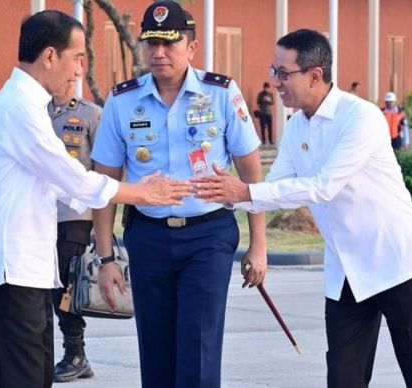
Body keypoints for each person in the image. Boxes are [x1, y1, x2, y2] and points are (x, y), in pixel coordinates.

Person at [193, 29, 412, 388]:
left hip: (399, 262)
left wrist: (244, 191)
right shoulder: (297, 125)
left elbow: (322, 187)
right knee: (343, 377)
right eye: (274, 71)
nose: (277, 82)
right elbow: (274, 186)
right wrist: (228, 193)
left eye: (284, 73)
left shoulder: (360, 117)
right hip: (347, 271)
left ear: (315, 75)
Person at [0, 10, 192, 388]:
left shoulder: (30, 103)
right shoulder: (19, 106)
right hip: (11, 268)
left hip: (29, 267)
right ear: (50, 57)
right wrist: (140, 192)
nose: (78, 71)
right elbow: (70, 177)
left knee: (36, 377)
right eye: (76, 58)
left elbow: (58, 185)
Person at [91, 2, 267, 387]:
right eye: (151, 43)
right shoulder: (122, 101)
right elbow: (103, 183)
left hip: (208, 235)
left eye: (170, 44)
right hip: (148, 237)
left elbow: (251, 173)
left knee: (199, 346)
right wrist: (105, 257)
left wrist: (259, 244)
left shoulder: (221, 94)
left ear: (192, 46)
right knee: (155, 349)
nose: (159, 53)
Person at [47, 83, 101, 383]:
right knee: (43, 285)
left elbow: (104, 167)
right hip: (39, 213)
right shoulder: (35, 112)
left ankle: (75, 353)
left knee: (68, 284)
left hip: (75, 215)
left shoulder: (91, 115)